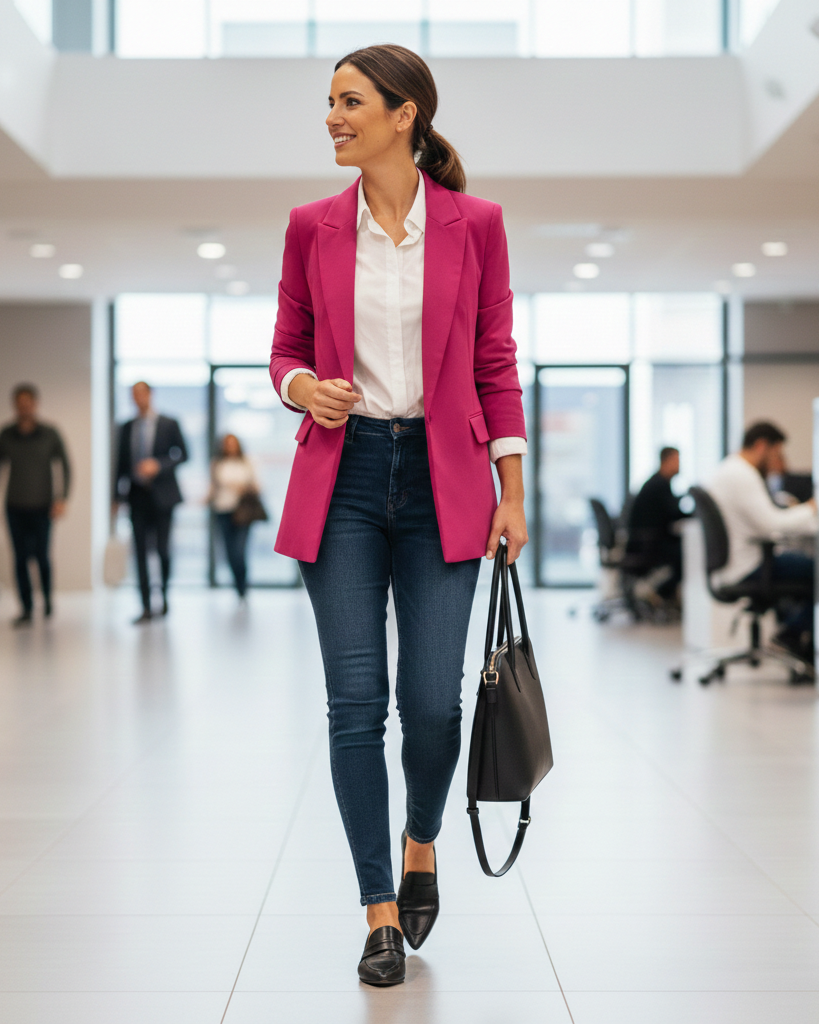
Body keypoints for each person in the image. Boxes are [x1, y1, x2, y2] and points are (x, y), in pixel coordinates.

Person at [269, 45, 527, 986]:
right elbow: (284, 346)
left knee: (429, 704)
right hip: (341, 479)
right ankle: (378, 905)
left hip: (442, 479)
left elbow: (494, 359)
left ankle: (422, 838)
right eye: (330, 103)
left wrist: (513, 487)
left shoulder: (476, 225)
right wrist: (303, 387)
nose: (332, 118)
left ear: (403, 113)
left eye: (349, 102)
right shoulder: (311, 226)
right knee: (352, 706)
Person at [708, 421, 817, 660]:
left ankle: (795, 637)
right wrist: (811, 508)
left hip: (736, 564)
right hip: (750, 567)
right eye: (776, 453)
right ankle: (790, 634)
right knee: (814, 569)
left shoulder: (729, 469)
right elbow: (772, 525)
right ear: (761, 446)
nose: (778, 461)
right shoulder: (742, 475)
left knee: (801, 566)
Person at [113, 381, 188, 624]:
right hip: (137, 497)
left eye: (141, 393)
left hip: (164, 496)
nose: (138, 398)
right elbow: (119, 465)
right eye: (133, 395)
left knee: (163, 551)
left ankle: (164, 597)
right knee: (141, 553)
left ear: (151, 395)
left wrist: (159, 465)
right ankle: (145, 606)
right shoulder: (125, 428)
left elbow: (184, 454)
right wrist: (115, 497)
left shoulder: (169, 423)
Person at [0, 384, 71, 626]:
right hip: (15, 505)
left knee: (42, 556)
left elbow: (65, 466)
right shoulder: (7, 434)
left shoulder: (49, 433)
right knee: (20, 557)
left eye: (28, 403)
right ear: (15, 406)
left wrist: (62, 498)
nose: (24, 408)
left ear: (35, 404)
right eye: (20, 404)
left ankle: (48, 600)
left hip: (43, 505)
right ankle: (26, 607)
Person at [626, 447, 689, 601]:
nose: (680, 465)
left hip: (645, 542)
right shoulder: (659, 485)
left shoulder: (658, 482)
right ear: (667, 461)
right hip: (648, 545)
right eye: (677, 460)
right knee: (686, 554)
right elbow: (673, 513)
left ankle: (664, 595)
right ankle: (661, 595)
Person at [207, 433, 260, 598]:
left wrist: (242, 487)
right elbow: (212, 487)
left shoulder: (248, 461)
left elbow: (258, 486)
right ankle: (238, 588)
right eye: (227, 444)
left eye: (233, 443)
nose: (230, 446)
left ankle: (243, 586)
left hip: (243, 512)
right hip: (222, 510)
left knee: (239, 551)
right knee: (229, 553)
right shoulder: (217, 463)